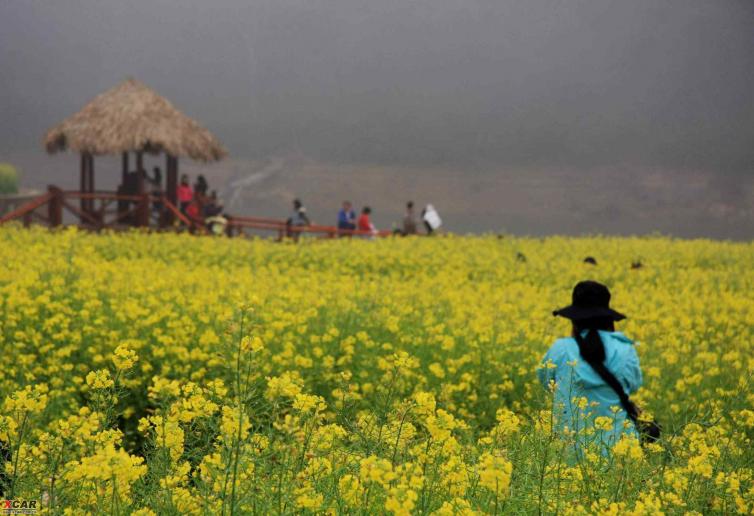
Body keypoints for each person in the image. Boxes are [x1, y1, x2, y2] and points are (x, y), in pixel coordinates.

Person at [537, 281, 643, 453]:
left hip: (568, 454)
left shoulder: (559, 349)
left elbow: (547, 383)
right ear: (608, 319)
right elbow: (634, 385)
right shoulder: (625, 350)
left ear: (573, 319)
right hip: (620, 453)